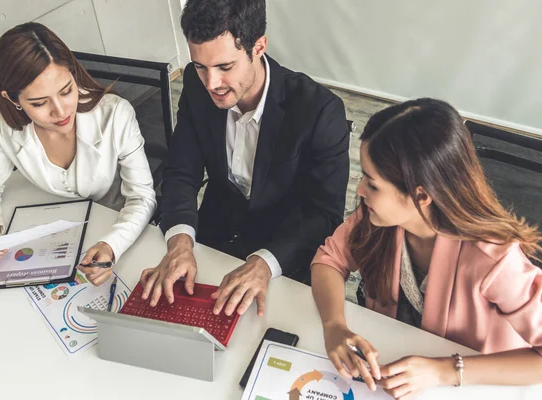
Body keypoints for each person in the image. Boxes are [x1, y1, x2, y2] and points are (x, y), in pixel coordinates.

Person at [311, 98, 542, 397]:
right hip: (397, 372)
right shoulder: (379, 217)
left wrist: (444, 370)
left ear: (421, 196)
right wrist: (334, 326)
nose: (360, 189)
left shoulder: (494, 258)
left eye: (373, 183)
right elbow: (329, 260)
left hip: (472, 386)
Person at [139, 0, 349, 317]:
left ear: (259, 47)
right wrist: (180, 243)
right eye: (199, 66)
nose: (211, 84)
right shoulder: (198, 88)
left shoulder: (320, 111)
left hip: (285, 253)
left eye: (225, 67)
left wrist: (266, 262)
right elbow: (182, 172)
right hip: (211, 240)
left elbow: (324, 213)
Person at [0, 22, 156, 286]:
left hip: (112, 225)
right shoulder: (4, 123)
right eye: (39, 102)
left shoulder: (115, 115)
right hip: (54, 231)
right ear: (12, 99)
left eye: (67, 90)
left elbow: (142, 197)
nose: (60, 111)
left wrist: (112, 245)